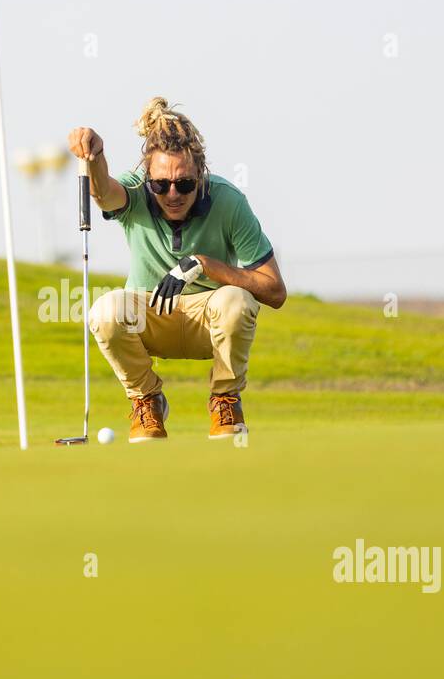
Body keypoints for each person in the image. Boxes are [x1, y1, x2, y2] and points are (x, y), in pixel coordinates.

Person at [67, 97, 286, 443]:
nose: (172, 194)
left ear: (200, 176)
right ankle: (147, 400)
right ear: (147, 179)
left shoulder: (229, 202)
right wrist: (95, 157)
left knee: (237, 301)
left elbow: (274, 291)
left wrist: (204, 265)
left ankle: (225, 399)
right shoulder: (137, 192)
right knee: (105, 310)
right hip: (151, 316)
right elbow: (104, 192)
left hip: (208, 320)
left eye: (184, 184)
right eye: (160, 185)